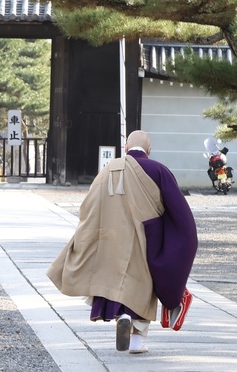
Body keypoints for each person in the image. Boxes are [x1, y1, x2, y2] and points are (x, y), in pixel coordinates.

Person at [47, 130, 198, 354]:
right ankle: (137, 340)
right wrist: (182, 238)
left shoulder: (108, 169)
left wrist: (90, 233)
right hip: (147, 236)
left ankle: (122, 315)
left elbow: (89, 206)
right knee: (142, 283)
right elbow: (179, 211)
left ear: (126, 148)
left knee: (117, 281)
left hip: (112, 237)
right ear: (149, 150)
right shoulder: (158, 170)